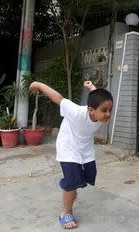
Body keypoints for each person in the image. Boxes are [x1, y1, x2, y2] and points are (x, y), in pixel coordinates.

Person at [29, 80, 113, 229]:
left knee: (90, 175)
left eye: (109, 110)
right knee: (72, 181)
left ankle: (71, 185)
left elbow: (96, 98)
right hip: (68, 147)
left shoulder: (97, 112)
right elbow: (59, 98)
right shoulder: (75, 112)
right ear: (90, 110)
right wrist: (39, 85)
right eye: (104, 110)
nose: (108, 114)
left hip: (85, 149)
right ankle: (66, 212)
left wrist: (91, 87)